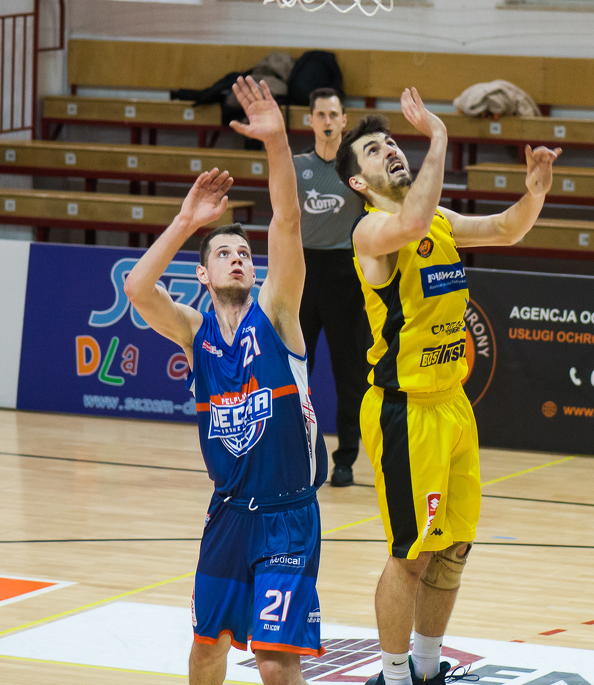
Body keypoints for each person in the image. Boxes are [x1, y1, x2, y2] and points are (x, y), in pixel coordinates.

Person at [334, 88, 561, 685]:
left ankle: (429, 669)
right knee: (411, 556)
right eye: (374, 150)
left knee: (454, 547)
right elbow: (408, 222)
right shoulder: (371, 232)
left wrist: (535, 193)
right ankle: (393, 676)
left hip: (452, 405)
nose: (390, 151)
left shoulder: (440, 220)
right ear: (357, 182)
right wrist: (438, 135)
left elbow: (507, 230)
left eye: (391, 142)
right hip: (404, 411)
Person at [124, 75, 328, 685]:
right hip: (228, 515)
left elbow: (287, 221)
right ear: (204, 276)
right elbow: (138, 289)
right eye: (224, 253)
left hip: (288, 515)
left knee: (274, 660)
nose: (238, 257)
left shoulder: (278, 313)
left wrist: (276, 143)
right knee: (206, 650)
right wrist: (188, 220)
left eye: (244, 252)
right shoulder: (195, 332)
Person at [293, 87, 370, 488]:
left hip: (345, 275)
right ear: (310, 120)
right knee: (295, 370)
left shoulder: (358, 168)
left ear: (344, 121)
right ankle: (297, 454)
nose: (326, 121)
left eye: (333, 115)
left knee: (349, 373)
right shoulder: (296, 166)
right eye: (320, 114)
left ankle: (346, 460)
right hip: (303, 273)